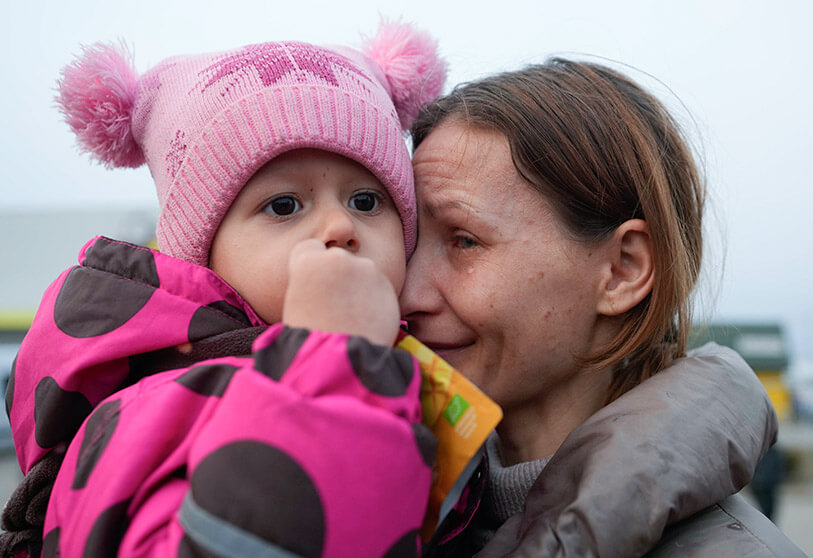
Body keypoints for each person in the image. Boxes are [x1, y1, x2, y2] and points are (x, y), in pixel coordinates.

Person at [2, 22, 446, 557]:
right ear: (203, 254)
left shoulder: (410, 366)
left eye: (366, 201)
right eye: (284, 205)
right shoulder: (156, 404)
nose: (339, 226)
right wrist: (335, 370)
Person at [400, 59, 806, 556]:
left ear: (623, 270)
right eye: (410, 240)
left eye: (464, 241)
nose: (408, 295)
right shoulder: (402, 514)